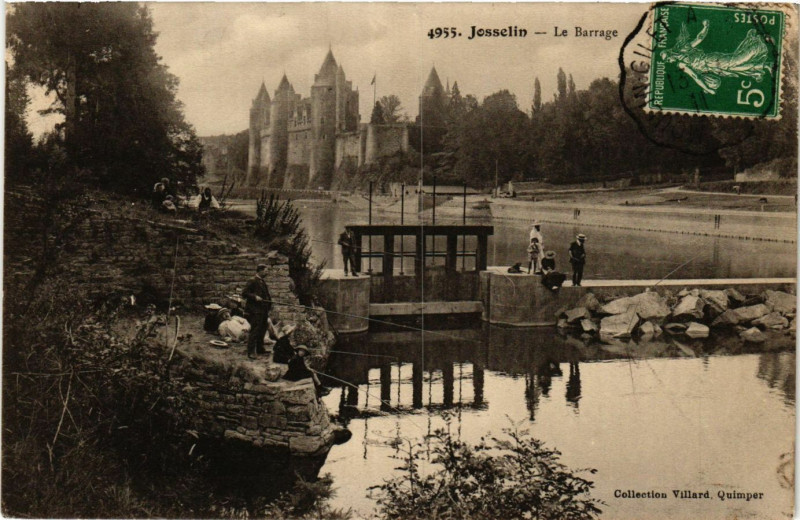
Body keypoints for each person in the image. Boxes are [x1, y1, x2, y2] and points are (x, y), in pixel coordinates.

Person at [242, 263, 272, 359]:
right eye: (266, 270)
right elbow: (244, 293)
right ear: (260, 271)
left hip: (263, 311)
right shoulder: (252, 281)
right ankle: (251, 352)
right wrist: (255, 297)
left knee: (262, 330)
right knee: (255, 330)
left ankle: (260, 349)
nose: (267, 272)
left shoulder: (262, 282)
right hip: (255, 311)